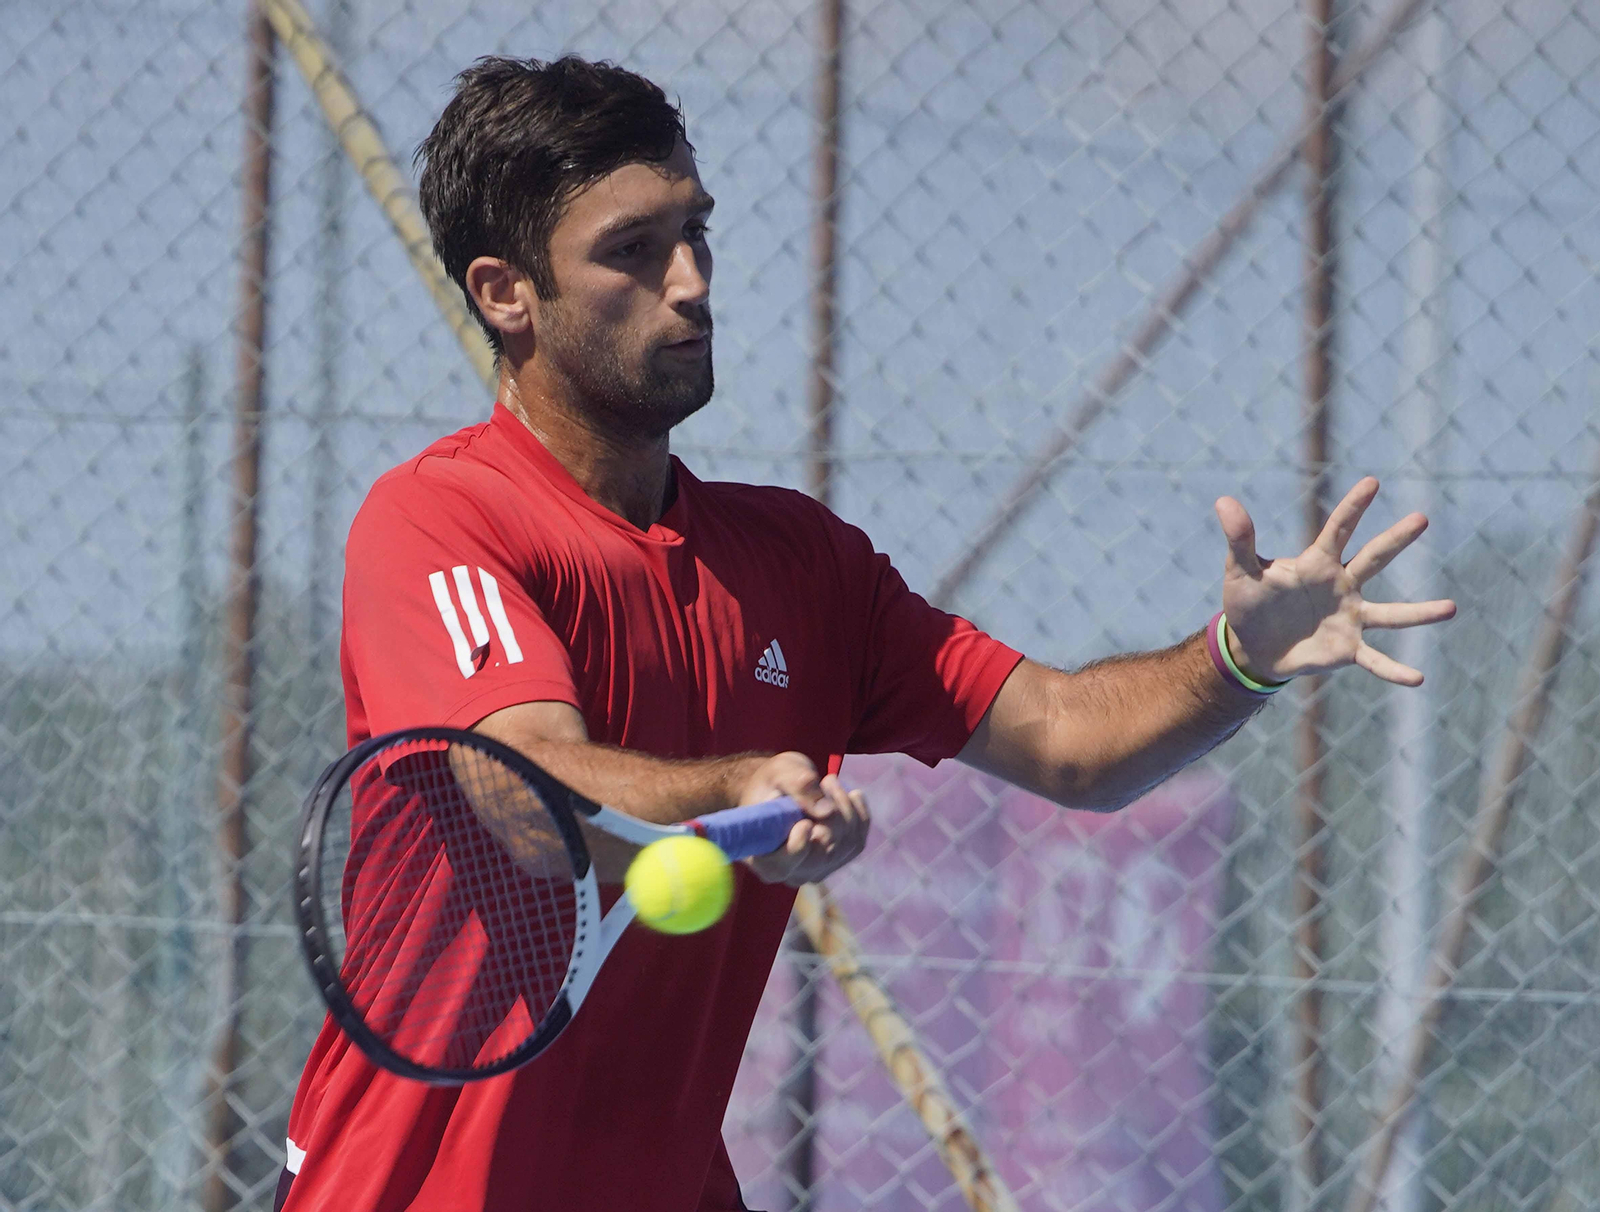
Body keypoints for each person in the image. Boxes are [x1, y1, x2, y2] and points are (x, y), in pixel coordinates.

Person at [277, 55, 1454, 1212]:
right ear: (503, 292)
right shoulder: (440, 518)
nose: (689, 281)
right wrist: (739, 792)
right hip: (410, 1188)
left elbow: (1067, 741)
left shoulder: (801, 565)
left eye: (696, 231)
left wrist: (1236, 659)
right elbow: (520, 788)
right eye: (630, 251)